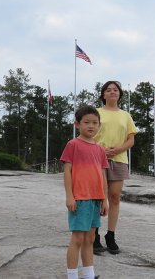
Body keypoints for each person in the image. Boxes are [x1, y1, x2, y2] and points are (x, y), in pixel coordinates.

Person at [60, 105, 109, 279]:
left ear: (99, 126)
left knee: (90, 239)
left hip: (96, 199)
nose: (91, 126)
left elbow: (103, 174)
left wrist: (105, 199)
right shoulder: (73, 144)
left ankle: (89, 275)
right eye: (86, 122)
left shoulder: (100, 149)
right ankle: (72, 276)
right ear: (77, 124)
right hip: (80, 199)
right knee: (78, 239)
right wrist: (69, 196)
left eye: (95, 123)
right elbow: (67, 171)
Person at [93, 81, 137, 254]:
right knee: (97, 197)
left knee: (115, 197)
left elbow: (131, 140)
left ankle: (110, 235)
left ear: (120, 94)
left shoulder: (125, 115)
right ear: (103, 94)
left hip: (119, 159)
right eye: (108, 90)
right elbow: (88, 133)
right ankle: (94, 234)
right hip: (97, 158)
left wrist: (118, 149)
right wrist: (99, 150)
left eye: (115, 90)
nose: (112, 92)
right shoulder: (96, 112)